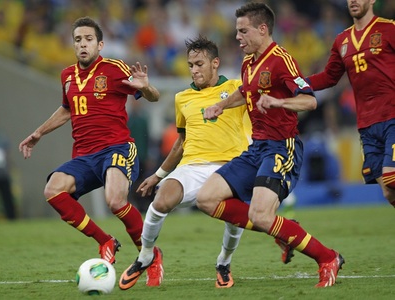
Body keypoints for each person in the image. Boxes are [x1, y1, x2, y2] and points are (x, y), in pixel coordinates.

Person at [118, 35, 293, 291]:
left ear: (215, 63)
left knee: (233, 218)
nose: (194, 70)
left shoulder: (237, 87)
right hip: (191, 168)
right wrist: (158, 175)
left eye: (199, 64)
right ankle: (146, 255)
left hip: (231, 165)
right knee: (160, 201)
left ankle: (224, 262)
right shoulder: (182, 98)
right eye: (190, 65)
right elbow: (181, 142)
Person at [197, 2, 344, 288]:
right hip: (257, 148)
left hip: (282, 147)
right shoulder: (248, 61)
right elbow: (245, 91)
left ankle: (328, 258)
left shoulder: (281, 60)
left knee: (260, 215)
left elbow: (310, 99)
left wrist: (279, 102)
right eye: (237, 31)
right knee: (206, 199)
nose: (237, 37)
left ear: (262, 29)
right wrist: (221, 105)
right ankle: (283, 231)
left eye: (243, 31)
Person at [18, 16, 163, 285]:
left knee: (115, 201)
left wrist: (147, 87)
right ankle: (105, 240)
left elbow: (154, 97)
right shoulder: (67, 76)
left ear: (100, 44)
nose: (83, 44)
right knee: (52, 190)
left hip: (117, 147)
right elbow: (66, 110)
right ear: (73, 45)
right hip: (84, 155)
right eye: (78, 40)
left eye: (88, 39)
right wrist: (38, 133)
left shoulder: (114, 68)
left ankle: (150, 256)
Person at [306, 0, 395, 207]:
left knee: (391, 177)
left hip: (392, 116)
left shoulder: (389, 29)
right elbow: (329, 77)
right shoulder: (342, 40)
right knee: (389, 193)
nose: (353, 1)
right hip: (367, 125)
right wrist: (297, 83)